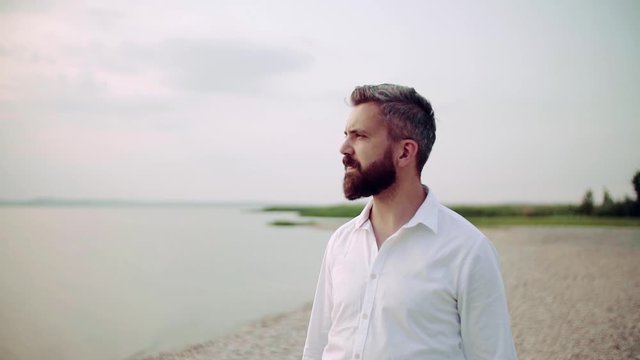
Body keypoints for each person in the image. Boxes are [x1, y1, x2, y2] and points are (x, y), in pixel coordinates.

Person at [302, 84, 517, 359]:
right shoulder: (341, 242)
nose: (343, 148)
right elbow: (317, 345)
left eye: (360, 136)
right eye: (346, 135)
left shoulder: (468, 250)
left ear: (405, 152)